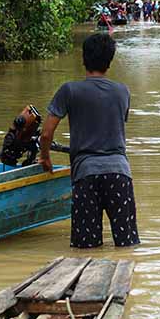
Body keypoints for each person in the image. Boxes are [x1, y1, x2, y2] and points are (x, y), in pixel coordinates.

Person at [38, 33, 139, 248]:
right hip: (119, 173)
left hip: (86, 174)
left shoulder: (69, 90)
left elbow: (46, 134)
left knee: (85, 248)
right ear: (109, 62)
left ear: (83, 59)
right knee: (128, 245)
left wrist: (45, 157)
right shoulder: (123, 91)